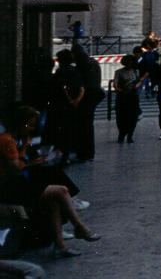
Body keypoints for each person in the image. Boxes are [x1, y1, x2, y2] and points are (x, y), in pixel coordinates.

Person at [0, 106, 99, 258]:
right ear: (20, 123)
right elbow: (16, 168)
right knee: (61, 190)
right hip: (8, 189)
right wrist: (25, 148)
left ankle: (60, 246)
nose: (32, 129)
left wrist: (30, 159)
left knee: (54, 200)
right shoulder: (6, 141)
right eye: (30, 125)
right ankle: (79, 226)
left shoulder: (11, 139)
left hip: (13, 186)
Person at [70, 45, 104, 162]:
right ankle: (89, 152)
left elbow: (81, 85)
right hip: (94, 96)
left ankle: (83, 152)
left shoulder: (82, 65)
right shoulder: (93, 62)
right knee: (88, 125)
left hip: (86, 98)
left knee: (83, 125)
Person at [112, 54, 142, 143]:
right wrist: (118, 89)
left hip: (133, 96)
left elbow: (139, 81)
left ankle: (130, 134)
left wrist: (137, 85)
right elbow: (115, 83)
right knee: (121, 116)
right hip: (122, 96)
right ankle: (122, 134)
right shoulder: (119, 72)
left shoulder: (136, 72)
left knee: (133, 116)